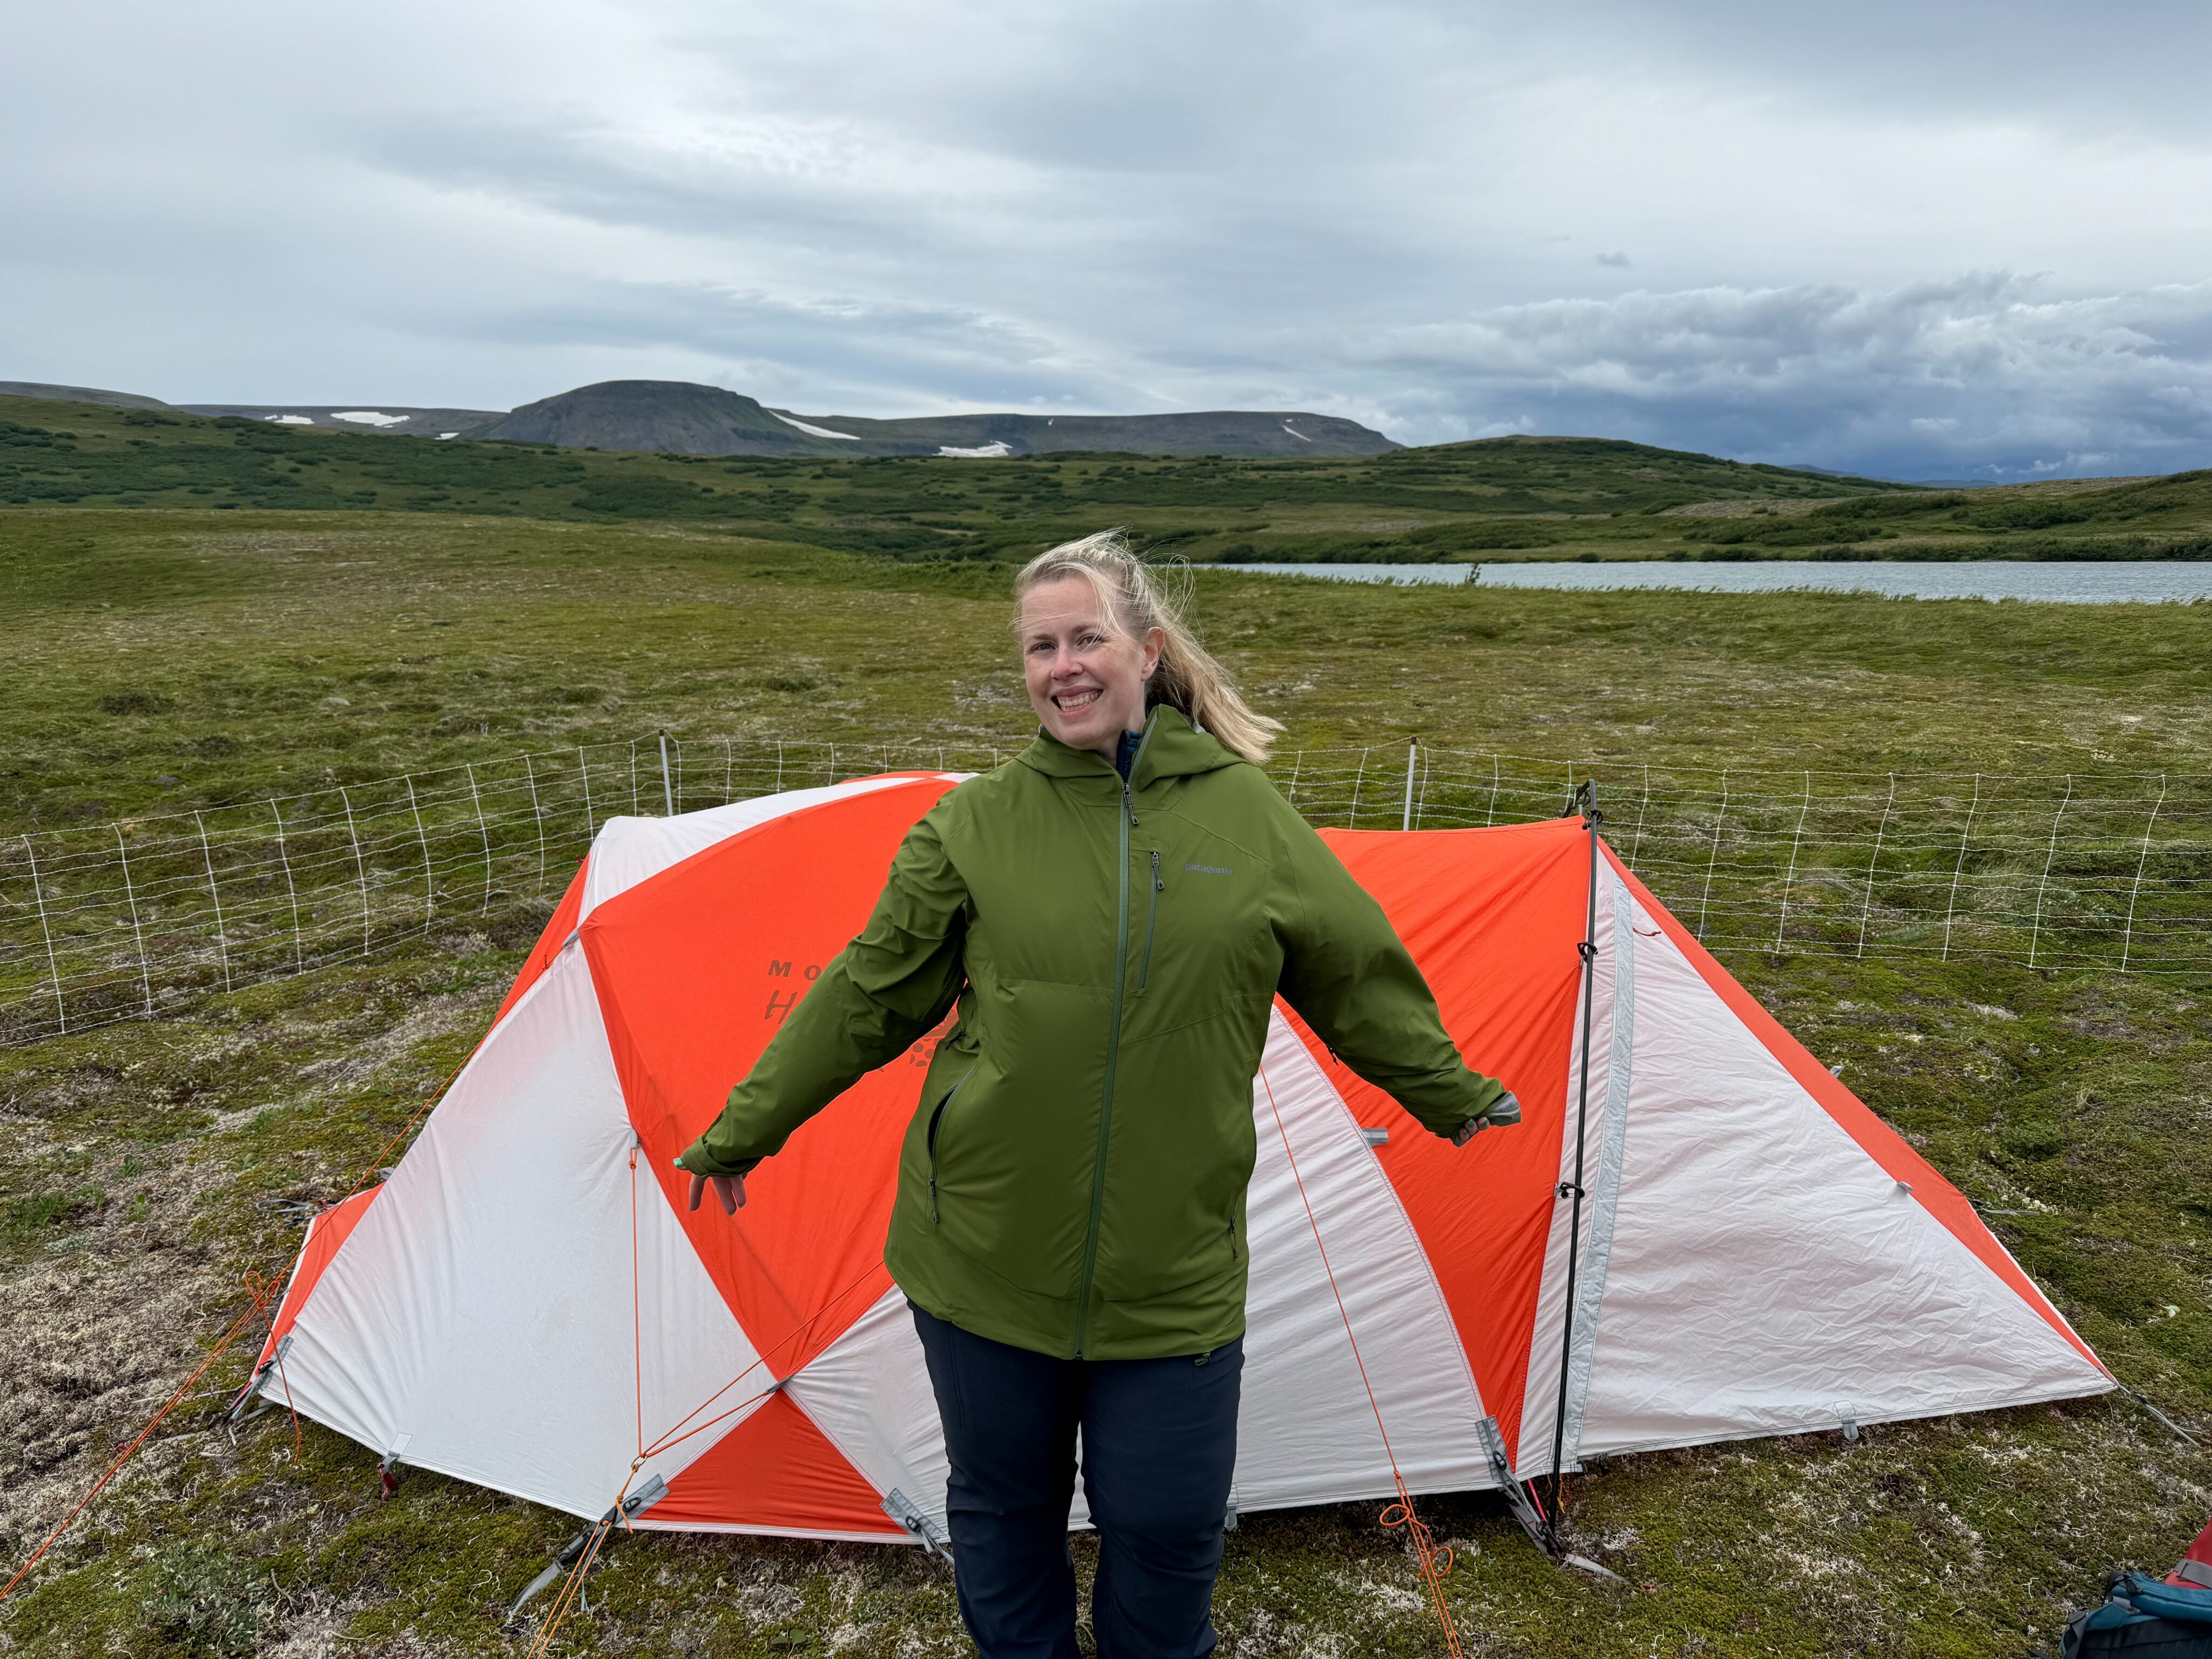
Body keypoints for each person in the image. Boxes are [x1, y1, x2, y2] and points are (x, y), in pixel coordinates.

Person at [674, 530, 1519, 1659]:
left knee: (1166, 1525)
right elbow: (866, 995)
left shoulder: (1247, 819)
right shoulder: (975, 825)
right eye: (1038, 646)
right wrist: (742, 1131)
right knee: (1002, 1509)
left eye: (1084, 638)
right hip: (982, 1251)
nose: (1061, 665)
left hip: (1170, 1266)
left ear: (1145, 651)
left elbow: (1352, 971)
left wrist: (1449, 1091)